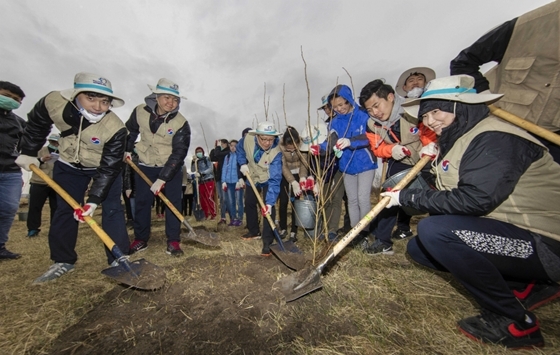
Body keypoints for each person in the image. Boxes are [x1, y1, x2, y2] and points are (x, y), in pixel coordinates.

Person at [381, 75, 560, 348]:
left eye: (436, 112)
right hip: (514, 233)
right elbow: (451, 189)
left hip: (547, 242)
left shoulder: (495, 137)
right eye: (425, 116)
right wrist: (425, 176)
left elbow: (476, 200)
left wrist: (409, 196)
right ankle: (524, 284)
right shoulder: (461, 138)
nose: (430, 122)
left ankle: (514, 321)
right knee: (420, 248)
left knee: (436, 232)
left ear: (460, 105)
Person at [17, 72, 130, 282]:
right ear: (76, 95)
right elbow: (37, 124)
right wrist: (28, 150)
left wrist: (94, 201)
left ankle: (118, 256)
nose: (98, 106)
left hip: (102, 168)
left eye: (104, 102)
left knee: (113, 208)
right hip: (69, 165)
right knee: (65, 210)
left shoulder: (116, 128)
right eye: (91, 98)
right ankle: (63, 260)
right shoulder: (54, 103)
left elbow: (110, 167)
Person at [450, 1, 560, 163]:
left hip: (554, 136)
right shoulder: (524, 27)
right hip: (509, 130)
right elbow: (463, 63)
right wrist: (486, 101)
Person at [360, 79, 437, 255]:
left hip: (425, 157)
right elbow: (377, 148)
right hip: (399, 159)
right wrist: (391, 149)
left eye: (377, 106)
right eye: (370, 110)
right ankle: (383, 241)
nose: (375, 112)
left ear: (390, 97)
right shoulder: (372, 124)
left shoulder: (413, 110)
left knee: (435, 196)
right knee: (389, 196)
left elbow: (429, 128)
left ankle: (439, 238)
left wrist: (430, 145)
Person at [126, 78, 191, 257]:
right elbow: (130, 132)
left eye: (175, 99)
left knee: (173, 204)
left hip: (170, 168)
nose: (171, 103)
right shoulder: (140, 111)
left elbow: (179, 152)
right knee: (142, 203)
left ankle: (173, 241)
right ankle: (141, 239)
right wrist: (126, 149)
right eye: (167, 98)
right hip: (145, 165)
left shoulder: (181, 122)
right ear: (156, 96)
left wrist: (163, 178)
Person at [313, 85, 377, 246]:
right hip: (347, 165)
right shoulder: (334, 123)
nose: (340, 109)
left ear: (349, 100)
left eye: (342, 104)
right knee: (352, 200)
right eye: (335, 107)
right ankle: (355, 233)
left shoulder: (363, 115)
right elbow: (331, 143)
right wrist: (319, 148)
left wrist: (351, 141)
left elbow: (370, 137)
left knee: (363, 199)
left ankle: (366, 231)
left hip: (365, 163)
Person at [236, 122, 282, 256]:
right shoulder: (247, 140)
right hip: (252, 176)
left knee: (269, 209)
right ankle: (253, 230)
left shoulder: (276, 153)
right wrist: (242, 163)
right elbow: (240, 149)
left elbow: (275, 178)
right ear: (257, 136)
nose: (267, 143)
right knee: (249, 202)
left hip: (267, 178)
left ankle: (267, 241)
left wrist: (269, 202)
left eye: (270, 139)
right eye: (263, 139)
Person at [299, 121, 340, 242]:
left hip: (337, 169)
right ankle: (323, 229)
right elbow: (312, 163)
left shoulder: (332, 140)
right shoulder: (311, 150)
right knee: (324, 199)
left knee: (336, 198)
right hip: (322, 172)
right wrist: (311, 177)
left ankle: (332, 230)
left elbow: (331, 166)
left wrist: (319, 182)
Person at [0, 81, 26, 260]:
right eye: (7, 96)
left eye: (16, 100)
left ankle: (0, 246)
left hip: (11, 170)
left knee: (9, 208)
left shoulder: (19, 122)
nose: (12, 101)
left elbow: (29, 143)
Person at [26, 133, 60, 237]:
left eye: (56, 142)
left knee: (56, 207)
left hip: (56, 184)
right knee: (35, 207)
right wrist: (41, 160)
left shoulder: (63, 153)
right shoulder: (40, 151)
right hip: (39, 183)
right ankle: (33, 229)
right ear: (49, 141)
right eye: (52, 141)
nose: (54, 143)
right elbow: (29, 164)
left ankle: (56, 229)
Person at [278, 126, 306, 242]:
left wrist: (302, 178)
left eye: (293, 148)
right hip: (285, 174)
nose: (291, 151)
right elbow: (283, 166)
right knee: (283, 201)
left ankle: (294, 231)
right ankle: (283, 228)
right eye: (288, 149)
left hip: (299, 172)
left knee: (295, 202)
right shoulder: (279, 146)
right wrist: (292, 182)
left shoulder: (303, 145)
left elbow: (304, 162)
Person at [221, 139, 244, 226]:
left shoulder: (240, 156)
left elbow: (242, 168)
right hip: (229, 182)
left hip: (237, 182)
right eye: (231, 145)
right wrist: (223, 181)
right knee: (231, 201)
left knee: (239, 201)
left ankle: (240, 218)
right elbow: (224, 169)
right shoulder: (227, 157)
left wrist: (240, 179)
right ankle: (233, 218)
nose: (233, 147)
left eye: (235, 145)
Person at [191, 147, 216, 219]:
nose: (199, 153)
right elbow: (193, 170)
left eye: (200, 151)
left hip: (208, 180)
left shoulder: (207, 159)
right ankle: (205, 215)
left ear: (203, 152)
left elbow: (211, 168)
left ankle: (213, 214)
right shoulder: (197, 161)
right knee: (202, 199)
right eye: (197, 152)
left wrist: (202, 173)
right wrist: (193, 162)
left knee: (209, 197)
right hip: (201, 182)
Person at [210, 139, 231, 225]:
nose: (221, 145)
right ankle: (223, 217)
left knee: (227, 198)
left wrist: (217, 147)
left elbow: (218, 154)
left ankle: (232, 216)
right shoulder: (219, 152)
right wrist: (214, 148)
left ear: (226, 144)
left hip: (226, 178)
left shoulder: (227, 152)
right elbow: (212, 158)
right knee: (222, 198)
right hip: (219, 178)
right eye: (220, 144)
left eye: (222, 144)